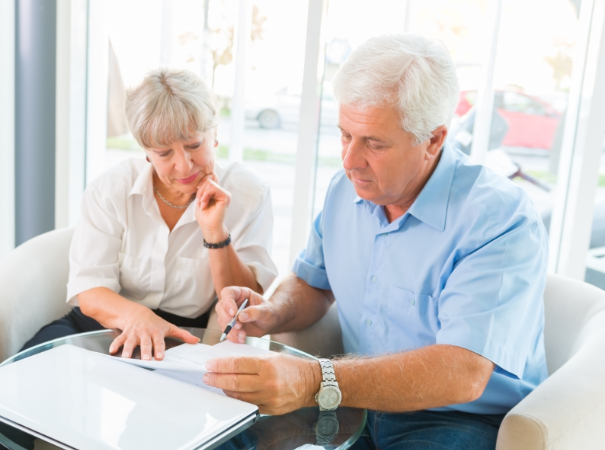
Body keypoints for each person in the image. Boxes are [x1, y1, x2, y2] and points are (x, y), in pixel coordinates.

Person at [206, 34, 548, 450]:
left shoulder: (498, 218)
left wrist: (317, 379)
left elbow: (462, 372)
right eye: (345, 135)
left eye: (374, 143)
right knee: (217, 439)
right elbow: (315, 282)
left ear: (434, 140)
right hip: (353, 403)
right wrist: (273, 311)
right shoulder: (344, 190)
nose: (350, 160)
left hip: (457, 419)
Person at [0, 67, 277, 449]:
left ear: (215, 133)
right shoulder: (110, 189)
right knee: (10, 395)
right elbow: (89, 292)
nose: (183, 165)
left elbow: (245, 299)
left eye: (194, 145)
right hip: (103, 324)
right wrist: (135, 316)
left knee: (225, 438)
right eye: (164, 153)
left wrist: (215, 233)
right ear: (146, 151)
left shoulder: (250, 195)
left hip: (190, 340)